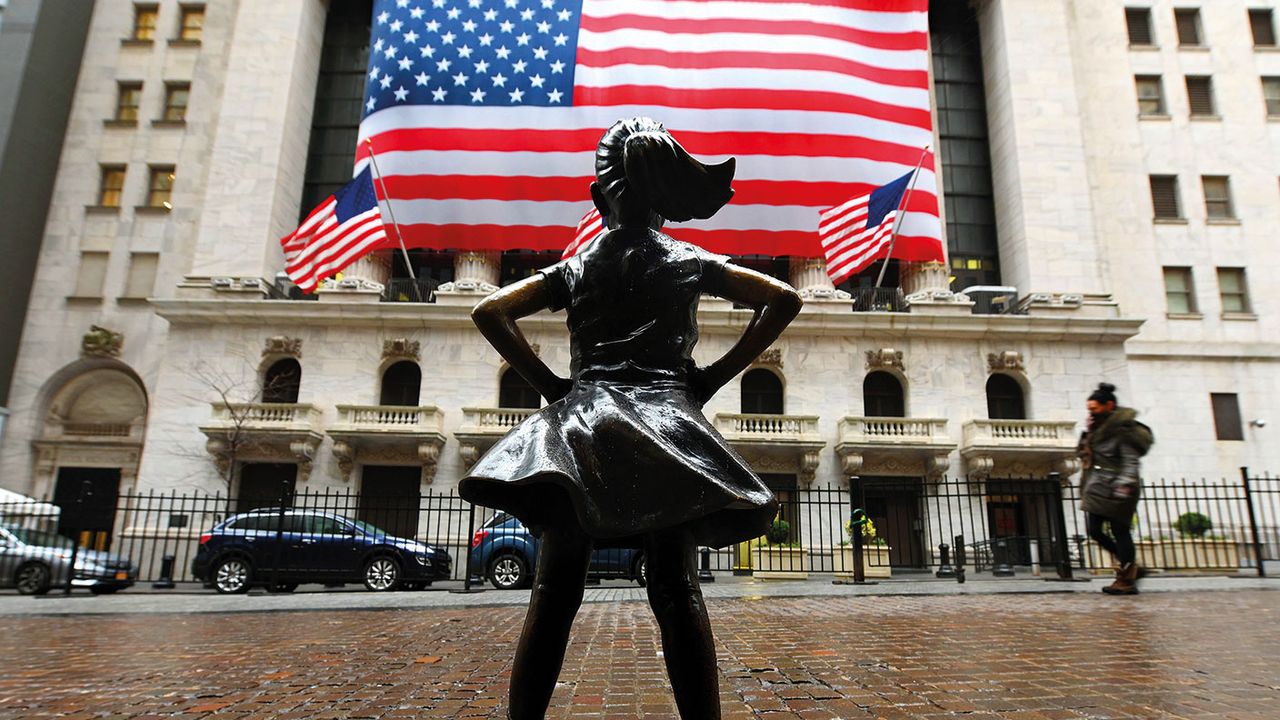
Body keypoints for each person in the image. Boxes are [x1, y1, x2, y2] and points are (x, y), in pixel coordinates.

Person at [459, 117, 803, 720]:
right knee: (676, 589)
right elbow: (784, 298)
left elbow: (491, 310)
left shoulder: (577, 268)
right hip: (666, 425)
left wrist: (551, 388)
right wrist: (711, 379)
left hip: (582, 427)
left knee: (554, 592)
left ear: (600, 198)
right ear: (665, 203)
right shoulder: (689, 261)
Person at [1078, 382, 1148, 595]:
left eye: (1095, 408)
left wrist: (1124, 485)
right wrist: (1087, 433)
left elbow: (1131, 461)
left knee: (1120, 531)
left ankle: (1126, 579)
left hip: (1120, 488)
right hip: (1099, 487)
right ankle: (1131, 567)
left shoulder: (1122, 429)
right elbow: (1083, 455)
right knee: (1094, 530)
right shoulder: (1097, 430)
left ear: (1109, 405)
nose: (1092, 412)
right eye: (1089, 409)